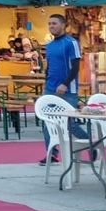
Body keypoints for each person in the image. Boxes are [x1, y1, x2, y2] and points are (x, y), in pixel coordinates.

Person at [39, 12, 90, 166]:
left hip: (67, 89)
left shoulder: (71, 42)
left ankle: (90, 144)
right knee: (47, 121)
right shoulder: (49, 46)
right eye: (49, 24)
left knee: (69, 122)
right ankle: (52, 154)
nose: (51, 26)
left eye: (54, 23)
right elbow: (49, 67)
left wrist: (65, 83)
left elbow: (75, 66)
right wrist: (45, 82)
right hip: (50, 88)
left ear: (63, 25)